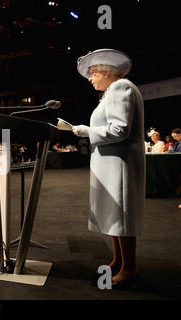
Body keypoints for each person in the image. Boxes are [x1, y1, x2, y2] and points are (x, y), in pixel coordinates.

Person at [72, 49, 145, 288]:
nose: (91, 79)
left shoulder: (121, 88)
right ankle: (118, 260)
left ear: (106, 72)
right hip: (112, 163)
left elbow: (119, 129)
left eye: (93, 74)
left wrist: (86, 131)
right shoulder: (112, 92)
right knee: (115, 215)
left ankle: (129, 268)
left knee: (122, 217)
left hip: (119, 165)